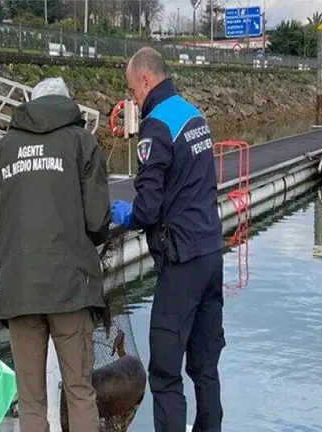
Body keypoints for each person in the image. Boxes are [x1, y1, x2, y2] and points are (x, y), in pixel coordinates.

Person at [110, 47, 226, 432]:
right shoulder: (195, 116)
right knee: (205, 366)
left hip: (181, 264)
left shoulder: (156, 126)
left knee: (164, 373)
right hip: (211, 253)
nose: (134, 100)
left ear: (146, 79)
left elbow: (147, 207)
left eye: (134, 91)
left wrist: (125, 213)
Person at [0, 77, 111, 431]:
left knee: (31, 399)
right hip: (70, 288)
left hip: (19, 289)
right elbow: (98, 220)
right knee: (79, 391)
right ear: (66, 103)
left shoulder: (4, 147)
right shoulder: (81, 142)